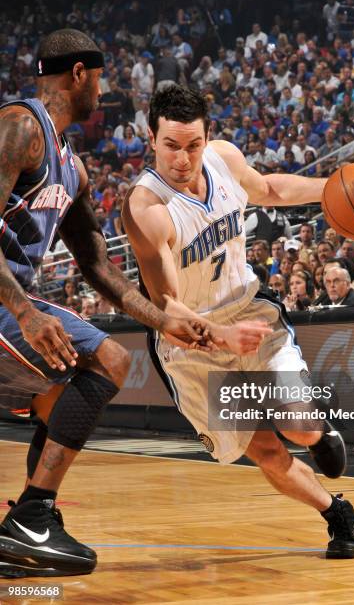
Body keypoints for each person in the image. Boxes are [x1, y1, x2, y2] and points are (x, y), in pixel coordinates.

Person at [0, 29, 258, 579]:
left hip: (11, 301)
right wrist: (27, 311)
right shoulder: (20, 127)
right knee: (110, 360)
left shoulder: (72, 167)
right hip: (5, 303)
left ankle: (28, 526)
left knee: (59, 401)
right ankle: (32, 517)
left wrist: (167, 322)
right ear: (78, 75)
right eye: (100, 76)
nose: (104, 88)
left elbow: (100, 269)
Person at [122, 85, 354, 560]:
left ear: (208, 137)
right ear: (150, 138)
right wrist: (219, 336)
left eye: (193, 145)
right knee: (266, 452)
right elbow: (166, 304)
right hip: (189, 343)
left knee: (297, 426)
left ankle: (318, 431)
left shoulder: (223, 159)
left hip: (250, 309)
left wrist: (335, 187)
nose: (183, 159)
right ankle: (336, 513)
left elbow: (269, 188)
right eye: (171, 146)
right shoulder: (147, 210)